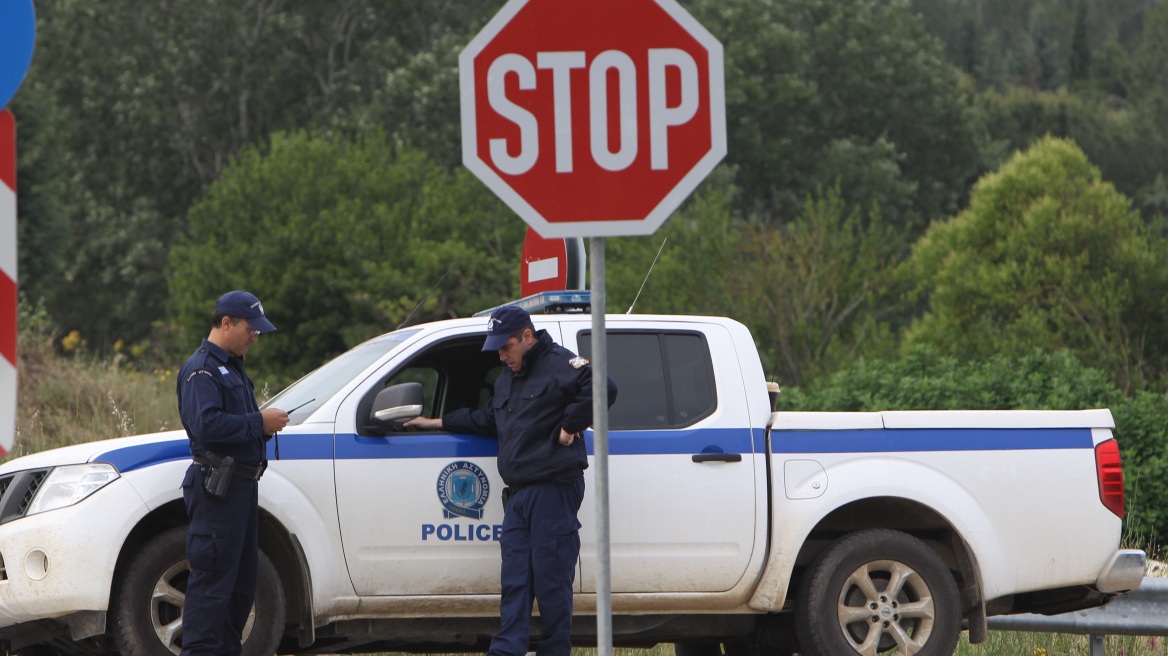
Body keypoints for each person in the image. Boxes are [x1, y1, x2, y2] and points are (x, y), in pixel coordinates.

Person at [405, 305, 617, 656]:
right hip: (518, 495)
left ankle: (554, 651)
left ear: (527, 337)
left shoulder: (558, 364)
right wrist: (437, 422)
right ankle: (507, 651)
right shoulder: (507, 380)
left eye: (507, 347)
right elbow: (487, 418)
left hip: (553, 489)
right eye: (499, 349)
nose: (502, 355)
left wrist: (571, 425)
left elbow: (603, 387)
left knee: (551, 581)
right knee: (515, 579)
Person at [176, 290, 289, 656]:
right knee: (212, 586)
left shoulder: (233, 366)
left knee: (241, 587)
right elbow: (207, 425)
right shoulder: (202, 369)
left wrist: (261, 426)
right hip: (216, 490)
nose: (255, 336)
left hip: (240, 486)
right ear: (226, 323)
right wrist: (259, 422)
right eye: (250, 328)